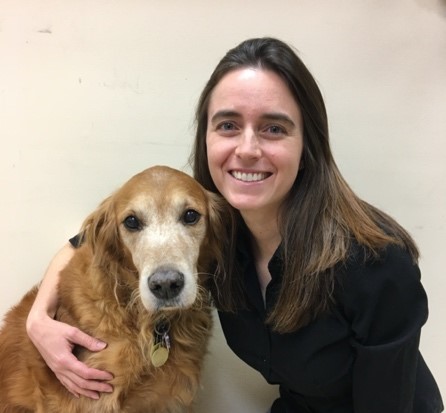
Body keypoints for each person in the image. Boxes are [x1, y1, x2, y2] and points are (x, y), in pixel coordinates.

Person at [26, 38, 443, 412]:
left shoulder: (375, 263)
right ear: (206, 138)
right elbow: (87, 239)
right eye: (228, 125)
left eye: (273, 128)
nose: (246, 149)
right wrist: (39, 319)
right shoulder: (215, 221)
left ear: (308, 144)